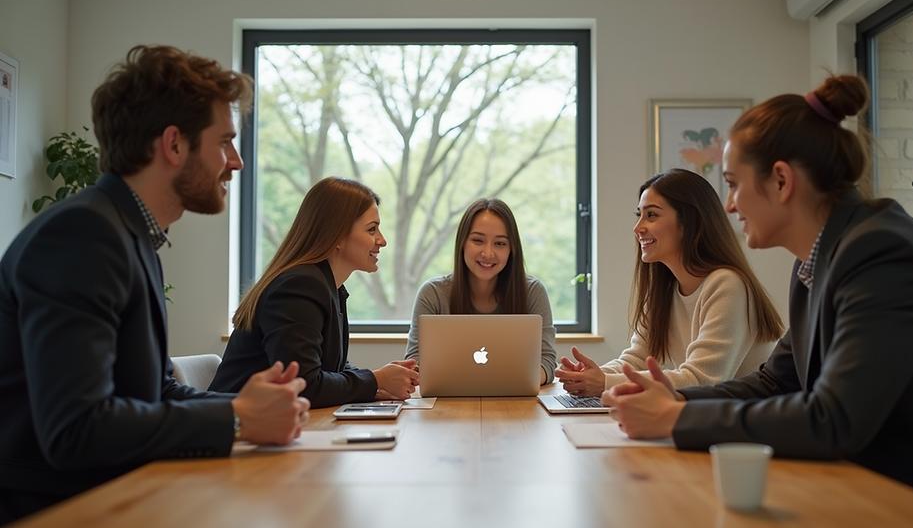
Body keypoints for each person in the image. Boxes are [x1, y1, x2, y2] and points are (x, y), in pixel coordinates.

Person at [602, 75, 913, 513]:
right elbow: (775, 381)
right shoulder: (815, 261)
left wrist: (677, 417)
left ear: (781, 181)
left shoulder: (884, 253)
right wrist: (676, 398)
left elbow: (834, 419)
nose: (728, 205)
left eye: (733, 184)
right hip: (880, 483)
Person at [0, 45, 310, 524]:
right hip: (58, 509)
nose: (237, 162)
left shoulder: (128, 233)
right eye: (225, 141)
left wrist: (251, 404)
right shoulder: (84, 235)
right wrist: (239, 417)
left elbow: (155, 391)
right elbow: (76, 429)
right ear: (173, 144)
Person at [555, 169, 784, 397]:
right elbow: (636, 359)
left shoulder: (727, 284)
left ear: (688, 222)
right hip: (708, 420)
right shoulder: (665, 290)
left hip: (744, 425)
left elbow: (701, 380)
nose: (638, 228)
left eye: (652, 215)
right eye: (639, 215)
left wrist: (605, 382)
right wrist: (590, 376)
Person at [210, 177, 419, 406]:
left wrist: (380, 382)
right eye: (372, 229)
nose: (382, 241)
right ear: (337, 235)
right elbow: (304, 385)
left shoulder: (328, 286)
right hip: (239, 430)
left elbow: (333, 369)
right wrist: (375, 380)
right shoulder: (300, 286)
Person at [404, 198, 558, 385]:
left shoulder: (533, 292)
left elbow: (548, 362)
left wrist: (507, 382)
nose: (488, 253)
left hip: (516, 403)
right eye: (478, 240)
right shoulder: (433, 294)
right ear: (462, 243)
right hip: (448, 403)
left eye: (500, 243)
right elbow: (413, 363)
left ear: (512, 249)